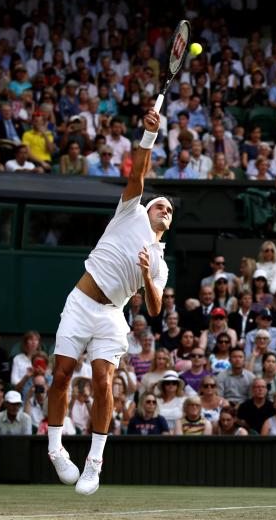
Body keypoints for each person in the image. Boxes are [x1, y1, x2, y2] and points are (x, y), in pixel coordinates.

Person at [45, 109, 170, 495]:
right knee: (63, 374)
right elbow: (139, 175)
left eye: (169, 210)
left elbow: (154, 309)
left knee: (104, 382)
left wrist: (148, 275)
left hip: (113, 316)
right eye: (160, 205)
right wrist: (148, 136)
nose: (164, 210)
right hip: (81, 301)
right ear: (147, 207)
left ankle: (94, 462)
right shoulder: (129, 211)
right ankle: (55, 450)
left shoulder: (161, 262)